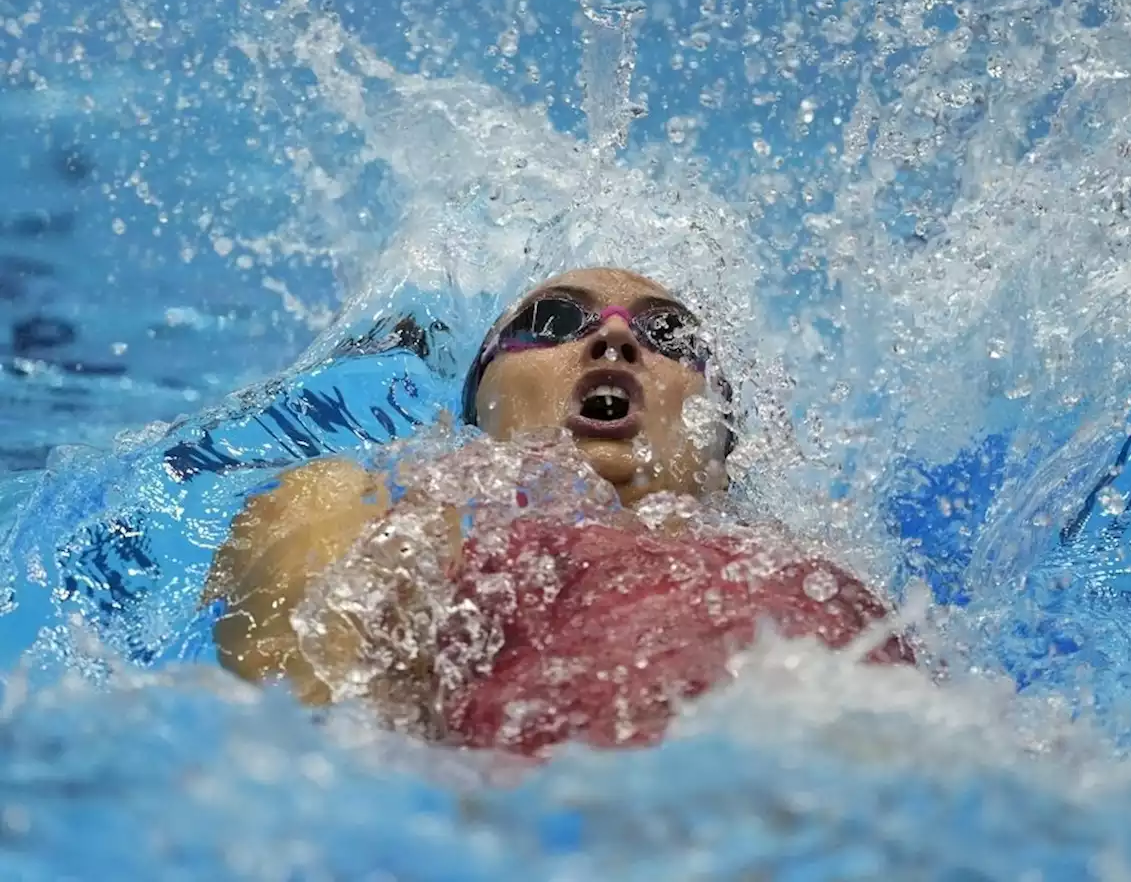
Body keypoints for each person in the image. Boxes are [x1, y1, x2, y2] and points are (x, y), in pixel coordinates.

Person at [203, 268, 916, 758]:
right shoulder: (380, 507)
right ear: (478, 409)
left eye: (672, 335)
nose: (615, 339)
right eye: (552, 321)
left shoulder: (820, 558)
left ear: (722, 454)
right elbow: (307, 733)